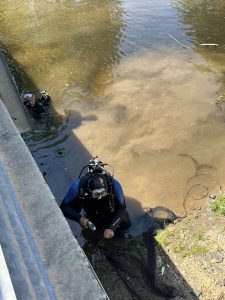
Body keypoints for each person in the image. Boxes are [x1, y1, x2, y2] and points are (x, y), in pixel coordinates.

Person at [60, 157, 131, 239]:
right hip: (94, 213)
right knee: (95, 234)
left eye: (102, 193)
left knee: (126, 226)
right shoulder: (78, 187)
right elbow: (64, 207)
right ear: (89, 190)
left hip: (113, 211)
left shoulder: (114, 185)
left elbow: (122, 208)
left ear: (107, 188)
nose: (99, 197)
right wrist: (80, 219)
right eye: (96, 194)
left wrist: (112, 228)